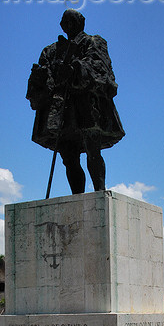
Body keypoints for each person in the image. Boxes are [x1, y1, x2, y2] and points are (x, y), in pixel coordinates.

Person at [27, 10, 125, 194]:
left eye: (72, 20)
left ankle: (99, 191)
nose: (68, 24)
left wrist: (76, 69)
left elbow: (101, 68)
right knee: (68, 156)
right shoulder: (51, 50)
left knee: (92, 148)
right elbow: (42, 76)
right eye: (65, 21)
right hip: (61, 109)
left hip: (86, 105)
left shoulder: (93, 42)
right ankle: (77, 197)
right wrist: (42, 76)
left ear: (81, 22)